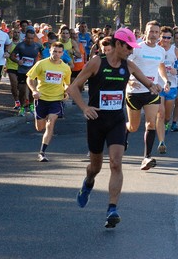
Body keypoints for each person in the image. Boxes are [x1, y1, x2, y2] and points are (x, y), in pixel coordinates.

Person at [68, 28, 162, 228]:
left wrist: (155, 87)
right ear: (118, 44)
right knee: (96, 167)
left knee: (116, 163)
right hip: (96, 120)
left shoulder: (128, 65)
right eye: (128, 47)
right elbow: (73, 87)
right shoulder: (96, 62)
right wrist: (84, 108)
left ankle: (112, 209)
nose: (130, 51)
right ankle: (88, 183)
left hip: (117, 121)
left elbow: (147, 82)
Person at [125, 21, 169, 171]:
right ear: (145, 32)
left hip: (152, 92)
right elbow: (126, 65)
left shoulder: (160, 51)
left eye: (157, 32)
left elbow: (161, 66)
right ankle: (125, 131)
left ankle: (146, 158)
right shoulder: (136, 48)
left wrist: (165, 80)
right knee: (133, 126)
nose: (154, 35)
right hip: (134, 92)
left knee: (151, 123)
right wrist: (129, 82)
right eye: (151, 31)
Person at [26, 42, 71, 162]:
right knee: (39, 127)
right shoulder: (41, 64)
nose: (56, 54)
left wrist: (66, 93)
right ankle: (43, 119)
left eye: (59, 52)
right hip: (41, 98)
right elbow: (30, 78)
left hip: (56, 99)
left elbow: (67, 84)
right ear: (50, 51)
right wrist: (34, 90)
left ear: (63, 53)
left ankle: (42, 152)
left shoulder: (65, 68)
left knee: (50, 124)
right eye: (54, 51)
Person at [156, 27, 178, 153]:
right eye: (163, 37)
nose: (165, 40)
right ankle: (161, 141)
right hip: (158, 85)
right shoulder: (156, 49)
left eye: (168, 37)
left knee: (167, 116)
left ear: (172, 39)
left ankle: (165, 125)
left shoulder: (176, 51)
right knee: (161, 113)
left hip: (172, 86)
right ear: (160, 37)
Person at [10, 28, 43, 116]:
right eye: (28, 38)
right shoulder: (20, 45)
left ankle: (31, 105)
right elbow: (12, 56)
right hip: (22, 71)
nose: (30, 40)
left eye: (32, 38)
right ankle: (22, 107)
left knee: (33, 90)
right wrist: (18, 61)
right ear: (25, 37)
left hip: (33, 71)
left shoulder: (37, 46)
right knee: (22, 91)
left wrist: (39, 62)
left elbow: (45, 54)